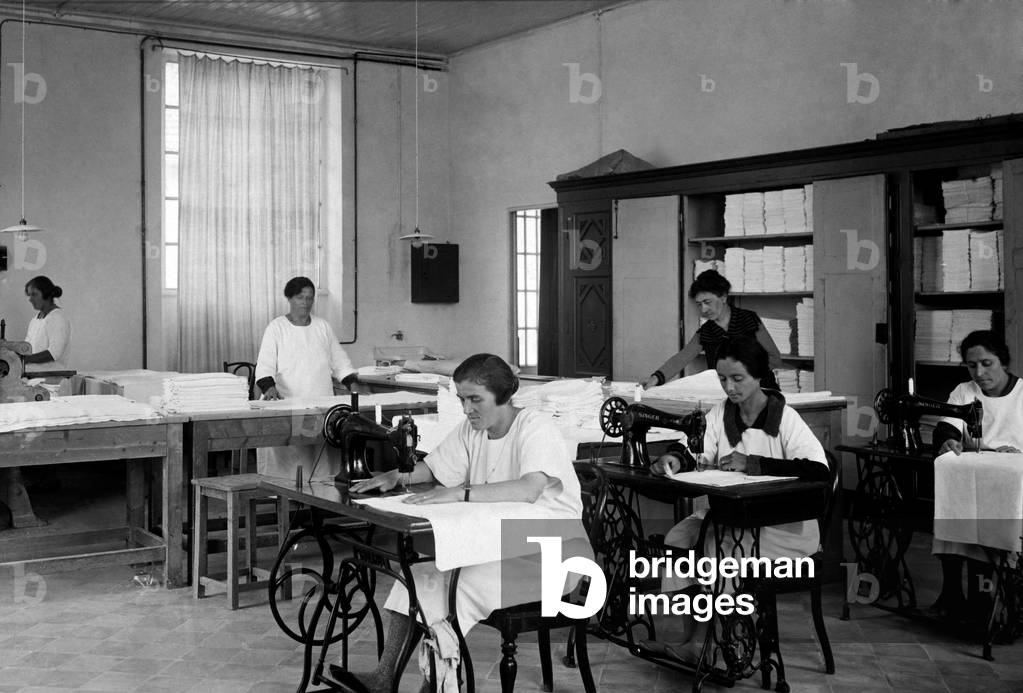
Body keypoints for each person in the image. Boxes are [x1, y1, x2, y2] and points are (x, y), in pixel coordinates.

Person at [331, 353, 588, 693]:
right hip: (508, 546)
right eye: (462, 399)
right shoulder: (473, 430)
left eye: (475, 399)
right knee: (420, 572)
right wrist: (397, 475)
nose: (467, 409)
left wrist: (458, 493)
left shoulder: (535, 427)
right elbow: (437, 468)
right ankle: (384, 677)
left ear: (502, 396)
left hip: (555, 557)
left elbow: (529, 489)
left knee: (459, 586)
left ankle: (434, 688)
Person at [647, 337, 829, 658]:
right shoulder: (722, 414)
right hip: (734, 519)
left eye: (737, 378)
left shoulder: (784, 417)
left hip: (785, 528)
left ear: (758, 376)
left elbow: (818, 471)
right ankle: (691, 637)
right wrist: (676, 458)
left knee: (715, 546)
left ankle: (708, 642)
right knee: (679, 538)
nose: (729, 387)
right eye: (722, 379)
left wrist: (754, 463)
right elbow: (695, 446)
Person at [930, 330, 1023, 621]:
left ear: (1003, 361)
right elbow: (947, 427)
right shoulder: (964, 392)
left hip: (1015, 487)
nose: (979, 373)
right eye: (972, 366)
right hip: (974, 481)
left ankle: (992, 601)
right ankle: (953, 593)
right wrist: (947, 441)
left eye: (987, 363)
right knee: (951, 513)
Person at [254, 276, 356, 481]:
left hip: (321, 400)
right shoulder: (277, 327)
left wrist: (351, 382)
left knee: (319, 450)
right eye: (301, 297)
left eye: (310, 298)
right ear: (290, 299)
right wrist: (269, 388)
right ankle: (286, 494)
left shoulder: (322, 327)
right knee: (292, 452)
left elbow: (339, 360)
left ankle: (320, 494)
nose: (306, 303)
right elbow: (265, 365)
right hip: (290, 401)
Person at [639, 269, 783, 391]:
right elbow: (681, 358)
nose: (703, 309)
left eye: (707, 302)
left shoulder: (748, 319)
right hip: (728, 394)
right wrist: (655, 379)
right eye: (699, 304)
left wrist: (745, 373)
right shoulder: (706, 331)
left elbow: (775, 358)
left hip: (761, 390)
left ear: (723, 297)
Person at [23, 276, 72, 374]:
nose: (30, 299)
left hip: (51, 378)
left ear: (46, 295)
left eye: (34, 294)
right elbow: (26, 348)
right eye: (29, 295)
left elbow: (54, 353)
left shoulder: (58, 318)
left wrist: (24, 359)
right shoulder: (35, 320)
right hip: (33, 376)